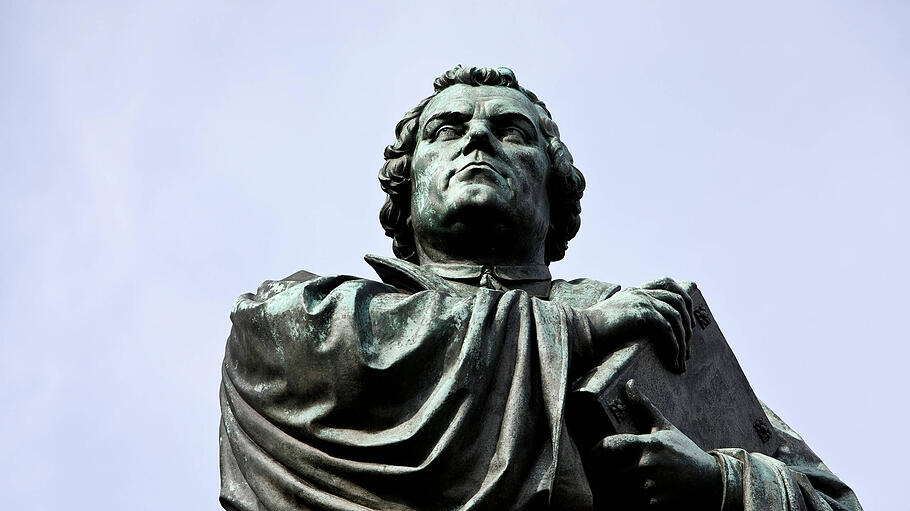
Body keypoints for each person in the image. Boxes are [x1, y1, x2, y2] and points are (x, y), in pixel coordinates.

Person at [219, 66, 861, 510]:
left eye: (513, 133)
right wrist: (572, 336)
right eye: (446, 131)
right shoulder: (317, 322)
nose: (478, 138)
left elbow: (832, 502)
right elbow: (261, 334)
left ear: (556, 198)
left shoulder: (646, 329)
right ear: (406, 191)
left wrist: (719, 484)